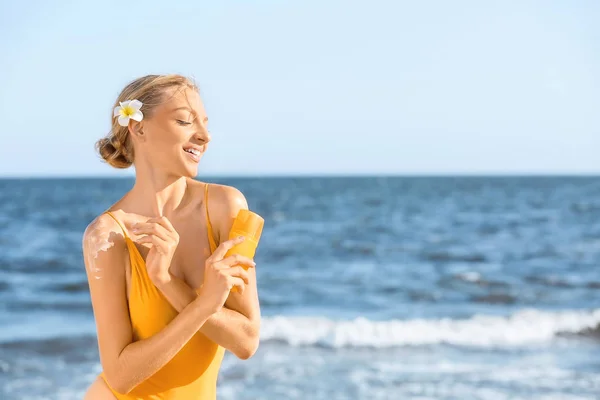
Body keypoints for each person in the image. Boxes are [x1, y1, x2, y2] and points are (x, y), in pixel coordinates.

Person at [81, 74, 261, 399]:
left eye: (205, 124)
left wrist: (166, 283)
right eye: (185, 121)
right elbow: (120, 377)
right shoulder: (107, 235)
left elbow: (246, 342)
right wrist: (204, 305)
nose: (204, 136)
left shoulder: (226, 207)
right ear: (138, 128)